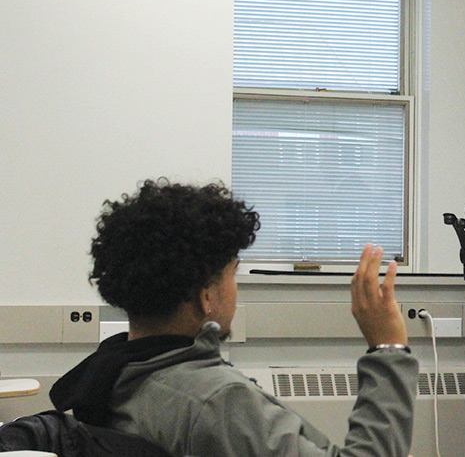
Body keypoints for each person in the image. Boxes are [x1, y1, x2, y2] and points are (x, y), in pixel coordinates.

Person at [49, 179, 417, 457]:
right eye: (233, 273)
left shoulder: (107, 379)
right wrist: (388, 349)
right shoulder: (217, 404)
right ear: (207, 296)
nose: (235, 289)